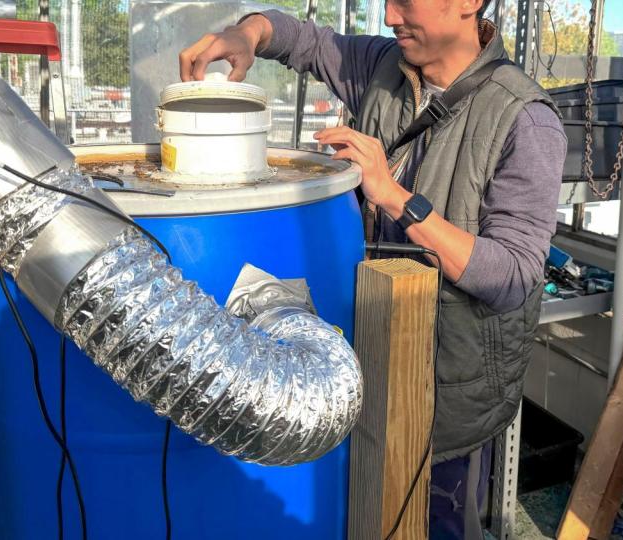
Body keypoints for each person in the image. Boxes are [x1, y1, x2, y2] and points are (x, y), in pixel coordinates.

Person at [180, 1, 566, 537]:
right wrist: (247, 34)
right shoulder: (382, 67)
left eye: (406, 2)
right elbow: (301, 39)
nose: (388, 16)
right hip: (364, 367)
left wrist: (394, 197)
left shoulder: (524, 118)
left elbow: (513, 276)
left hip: (446, 398)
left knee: (437, 520)